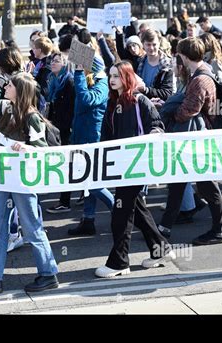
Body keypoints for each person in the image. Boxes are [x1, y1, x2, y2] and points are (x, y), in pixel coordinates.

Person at [0, 58, 59, 294]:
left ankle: (48, 274)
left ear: (20, 91)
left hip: (24, 181)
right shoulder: (7, 107)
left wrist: (27, 148)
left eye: (9, 85)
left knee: (32, 227)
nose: (5, 87)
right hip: (6, 178)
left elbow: (43, 150)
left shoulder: (32, 117)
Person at [95, 61, 171, 278]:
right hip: (121, 166)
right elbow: (106, 136)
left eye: (117, 76)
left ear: (127, 77)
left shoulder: (139, 100)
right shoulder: (112, 102)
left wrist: (154, 134)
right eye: (110, 75)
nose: (112, 80)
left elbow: (156, 125)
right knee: (137, 209)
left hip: (137, 165)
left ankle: (119, 262)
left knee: (121, 214)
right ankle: (161, 249)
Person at [158, 37, 222, 245]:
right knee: (180, 182)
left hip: (196, 138)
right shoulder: (201, 74)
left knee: (207, 186)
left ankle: (219, 230)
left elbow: (189, 110)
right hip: (194, 137)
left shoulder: (199, 79)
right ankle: (164, 227)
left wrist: (171, 109)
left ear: (185, 56)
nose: (177, 58)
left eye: (179, 54)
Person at [67, 57, 115, 236]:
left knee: (91, 181)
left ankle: (118, 208)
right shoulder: (92, 80)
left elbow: (87, 100)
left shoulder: (102, 83)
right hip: (81, 137)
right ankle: (88, 219)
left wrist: (79, 73)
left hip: (92, 139)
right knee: (86, 181)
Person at [45, 52, 75, 214]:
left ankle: (65, 201)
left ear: (65, 64)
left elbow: (71, 108)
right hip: (56, 127)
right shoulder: (53, 80)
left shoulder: (69, 81)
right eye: (52, 61)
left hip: (66, 128)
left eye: (57, 61)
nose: (53, 63)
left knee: (67, 164)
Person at [136, 29, 174, 101]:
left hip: (160, 107)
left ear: (159, 43)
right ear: (143, 44)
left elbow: (168, 93)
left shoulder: (168, 65)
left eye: (154, 44)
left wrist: (146, 90)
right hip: (141, 104)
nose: (151, 48)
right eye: (148, 44)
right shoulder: (139, 62)